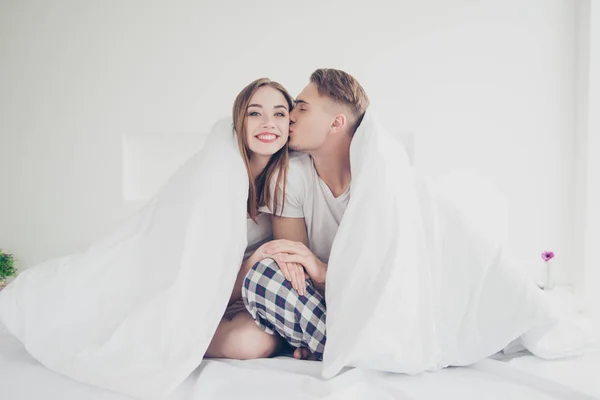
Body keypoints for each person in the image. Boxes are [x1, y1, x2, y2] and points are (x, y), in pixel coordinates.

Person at [242, 69, 369, 360]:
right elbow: (292, 270)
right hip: (321, 302)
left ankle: (344, 344)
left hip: (363, 297)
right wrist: (314, 274)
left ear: (336, 123)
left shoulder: (373, 180)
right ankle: (338, 345)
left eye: (302, 107)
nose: (291, 115)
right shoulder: (289, 177)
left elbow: (382, 273)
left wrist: (323, 270)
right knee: (266, 274)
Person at [204, 77, 294, 360]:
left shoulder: (292, 181)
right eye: (255, 113)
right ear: (239, 122)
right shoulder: (219, 180)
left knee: (247, 343)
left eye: (279, 114)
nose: (269, 123)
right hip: (208, 294)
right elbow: (201, 281)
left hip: (252, 300)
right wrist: (252, 264)